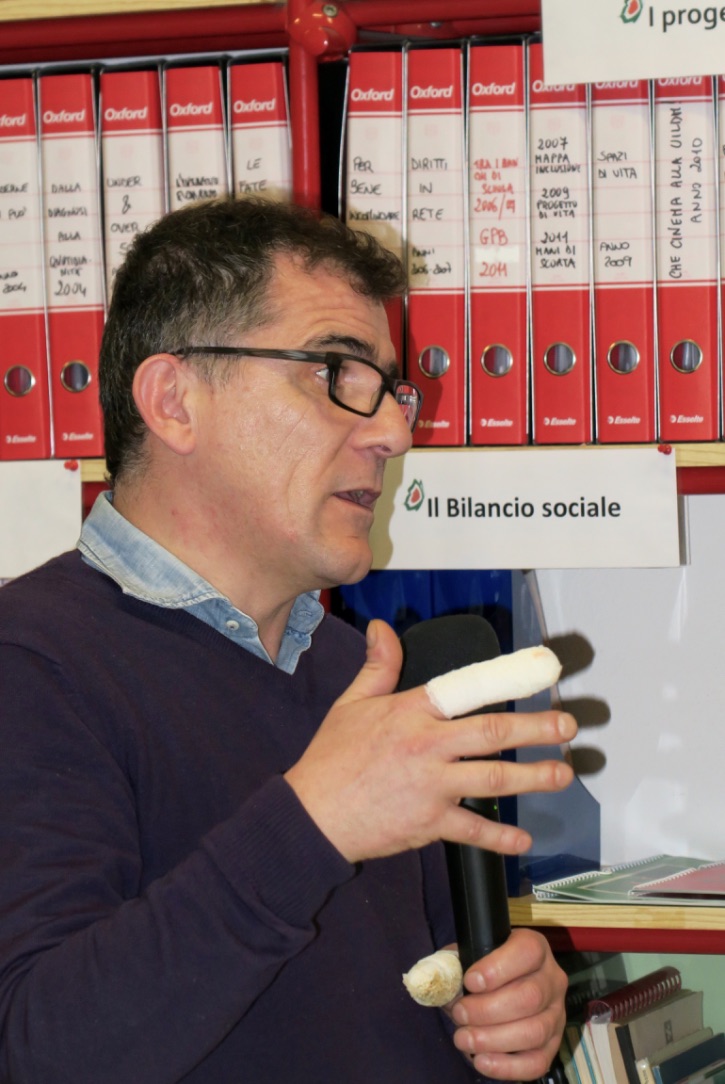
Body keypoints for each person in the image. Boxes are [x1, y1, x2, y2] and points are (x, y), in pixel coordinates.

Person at [0, 196, 576, 1084]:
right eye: (334, 371)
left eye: (392, 390)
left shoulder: (357, 673)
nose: (394, 433)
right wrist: (317, 821)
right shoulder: (31, 664)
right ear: (174, 402)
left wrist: (502, 1010)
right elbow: (40, 1049)